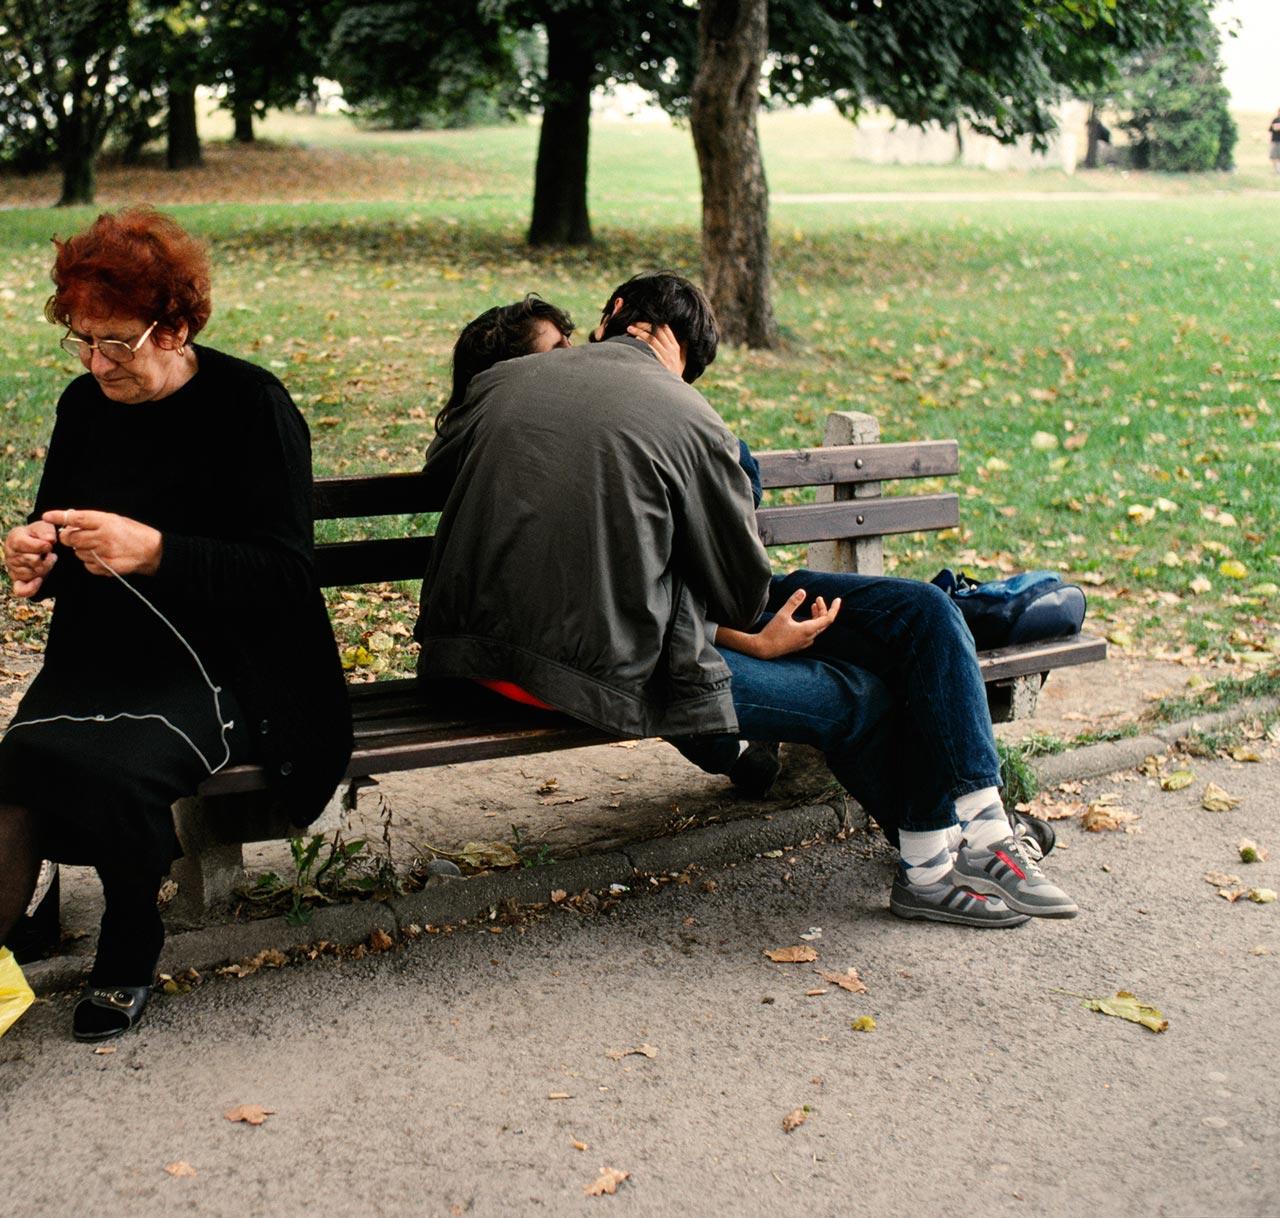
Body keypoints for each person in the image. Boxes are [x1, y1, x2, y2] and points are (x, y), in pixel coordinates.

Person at [0, 207, 352, 1155]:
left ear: (178, 325)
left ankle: (130, 941)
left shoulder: (252, 406)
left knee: (114, 762)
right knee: (25, 765)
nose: (96, 362)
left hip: (228, 666)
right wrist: (33, 555)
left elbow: (285, 577)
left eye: (116, 341)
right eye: (80, 340)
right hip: (98, 654)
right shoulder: (84, 406)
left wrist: (156, 550)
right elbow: (57, 526)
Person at [419, 275, 1074, 933]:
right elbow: (740, 595)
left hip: (516, 642)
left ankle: (985, 831)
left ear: (613, 314)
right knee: (860, 692)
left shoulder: (502, 385)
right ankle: (936, 861)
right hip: (603, 661)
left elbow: (442, 468)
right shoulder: (684, 414)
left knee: (925, 613)